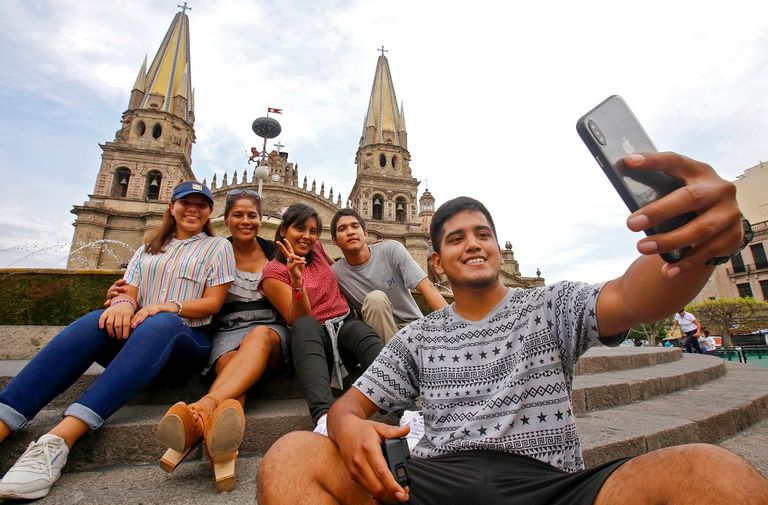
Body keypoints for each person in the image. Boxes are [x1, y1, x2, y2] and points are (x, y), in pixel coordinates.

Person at [257, 153, 768, 505]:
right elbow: (349, 405)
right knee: (290, 457)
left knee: (714, 473)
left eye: (483, 234)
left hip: (548, 486)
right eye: (456, 238)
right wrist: (346, 425)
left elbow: (633, 296)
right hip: (434, 482)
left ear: (498, 249)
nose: (472, 243)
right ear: (436, 262)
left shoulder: (552, 305)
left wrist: (700, 246)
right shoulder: (418, 338)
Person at [0, 181, 235, 500]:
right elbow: (129, 291)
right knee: (95, 320)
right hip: (142, 343)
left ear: (209, 212)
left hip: (186, 341)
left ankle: (59, 440)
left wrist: (168, 306)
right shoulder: (148, 248)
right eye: (185, 203)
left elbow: (213, 303)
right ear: (171, 207)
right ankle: (4, 418)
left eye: (201, 205)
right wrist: (123, 303)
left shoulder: (217, 247)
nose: (193, 209)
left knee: (161, 321)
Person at [154, 188, 289, 492]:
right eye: (238, 215)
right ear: (226, 219)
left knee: (258, 336)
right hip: (227, 332)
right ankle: (223, 454)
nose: (245, 221)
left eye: (252, 215)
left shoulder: (276, 252)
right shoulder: (214, 252)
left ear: (261, 219)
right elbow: (176, 283)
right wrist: (126, 293)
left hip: (270, 331)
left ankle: (200, 410)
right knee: (229, 364)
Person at [258, 204, 384, 435]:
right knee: (305, 325)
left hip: (344, 331)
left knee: (360, 331)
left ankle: (404, 407)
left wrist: (372, 255)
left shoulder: (315, 250)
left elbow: (339, 270)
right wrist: (297, 281)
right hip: (313, 345)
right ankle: (323, 418)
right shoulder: (273, 272)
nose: (307, 236)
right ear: (284, 230)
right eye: (300, 228)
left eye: (313, 231)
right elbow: (298, 317)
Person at [329, 208, 447, 343]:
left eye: (355, 226)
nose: (350, 232)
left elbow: (428, 287)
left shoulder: (391, 250)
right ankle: (394, 355)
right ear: (334, 240)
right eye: (342, 229)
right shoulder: (336, 274)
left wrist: (455, 326)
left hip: (414, 330)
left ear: (365, 233)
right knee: (375, 299)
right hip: (378, 334)